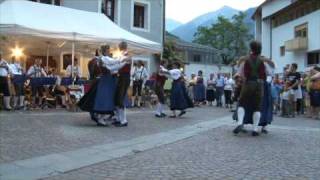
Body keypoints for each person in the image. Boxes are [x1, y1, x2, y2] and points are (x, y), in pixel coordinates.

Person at [78, 45, 130, 126]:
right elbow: (113, 63)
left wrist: (123, 61)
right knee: (105, 100)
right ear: (105, 51)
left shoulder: (103, 58)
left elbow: (114, 65)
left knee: (107, 100)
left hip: (107, 81)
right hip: (106, 81)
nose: (110, 51)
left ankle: (105, 118)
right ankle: (101, 118)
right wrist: (124, 60)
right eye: (108, 50)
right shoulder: (104, 58)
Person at [233, 41, 268, 136]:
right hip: (259, 84)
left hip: (248, 83)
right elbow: (266, 74)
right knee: (257, 107)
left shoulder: (246, 60)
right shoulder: (262, 61)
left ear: (251, 48)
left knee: (242, 103)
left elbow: (242, 73)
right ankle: (255, 129)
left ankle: (240, 123)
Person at [113, 42, 132, 127]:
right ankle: (118, 119)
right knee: (117, 98)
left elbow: (128, 59)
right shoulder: (121, 55)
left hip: (124, 77)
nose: (119, 47)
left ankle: (123, 121)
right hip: (122, 77)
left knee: (120, 98)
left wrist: (121, 60)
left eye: (120, 46)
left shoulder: (126, 54)